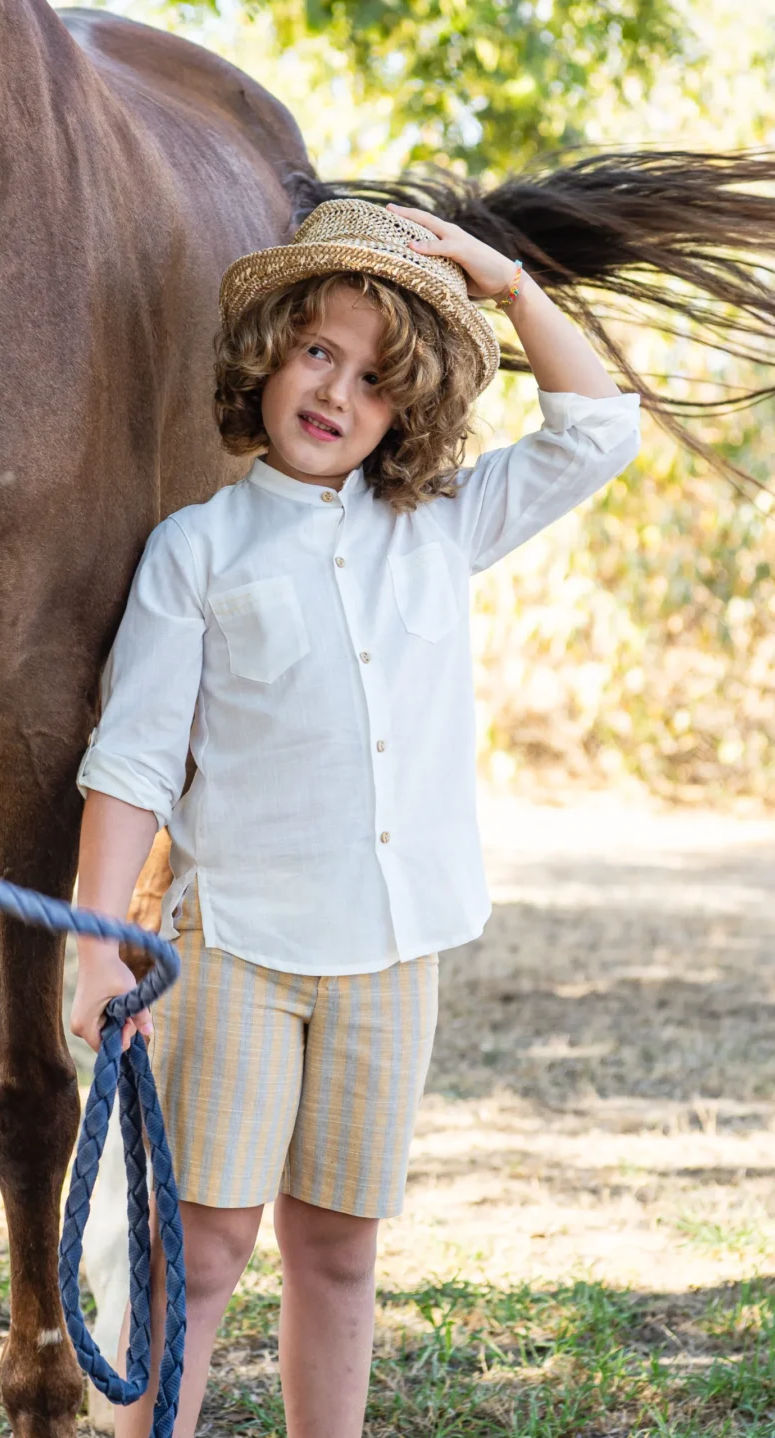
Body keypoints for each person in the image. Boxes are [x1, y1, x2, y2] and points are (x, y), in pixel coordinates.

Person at [70, 198, 641, 1438]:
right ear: (270, 351)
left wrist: (510, 285)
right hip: (241, 950)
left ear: (411, 409)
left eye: (379, 379)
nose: (338, 391)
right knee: (204, 1244)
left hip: (394, 948)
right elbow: (135, 758)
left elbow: (598, 430)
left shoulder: (440, 526)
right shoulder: (197, 551)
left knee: (339, 1248)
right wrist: (93, 934)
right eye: (319, 350)